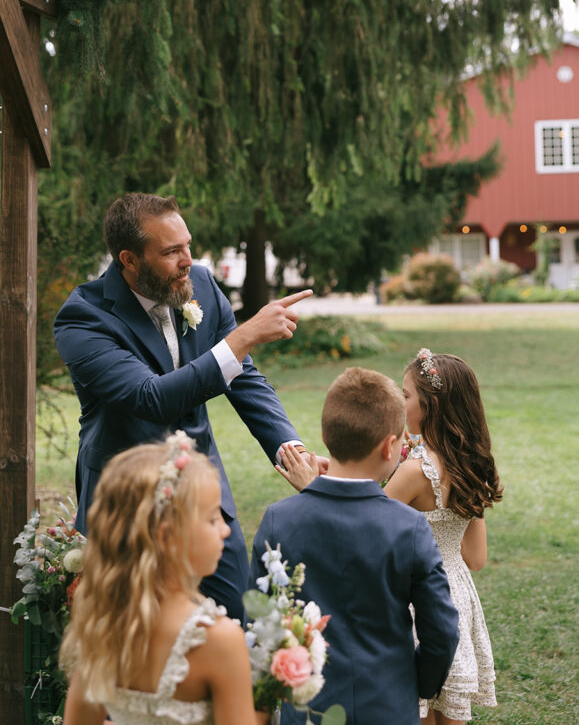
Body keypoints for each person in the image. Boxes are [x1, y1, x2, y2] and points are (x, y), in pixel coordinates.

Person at [53, 192, 317, 621]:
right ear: (130, 260)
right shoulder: (83, 318)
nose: (187, 260)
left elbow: (242, 377)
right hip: (127, 502)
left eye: (188, 245)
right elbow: (149, 398)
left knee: (233, 617)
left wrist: (292, 448)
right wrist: (243, 336)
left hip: (204, 494)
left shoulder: (202, 288)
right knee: (127, 634)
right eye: (171, 251)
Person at [250, 367, 460, 725]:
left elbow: (261, 628)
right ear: (390, 446)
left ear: (327, 434)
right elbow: (440, 629)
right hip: (388, 705)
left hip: (308, 709)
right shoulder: (408, 527)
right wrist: (416, 685)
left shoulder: (278, 520)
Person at [60, 432, 265, 725]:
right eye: (212, 519)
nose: (226, 530)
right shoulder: (218, 640)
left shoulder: (103, 627)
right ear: (167, 536)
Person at [384, 349, 503, 725]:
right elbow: (476, 559)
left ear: (430, 404)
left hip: (416, 596)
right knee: (448, 708)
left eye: (405, 396)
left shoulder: (415, 471)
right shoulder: (473, 465)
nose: (399, 403)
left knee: (414, 708)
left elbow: (366, 521)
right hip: (455, 596)